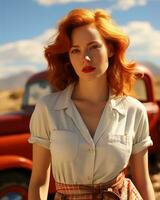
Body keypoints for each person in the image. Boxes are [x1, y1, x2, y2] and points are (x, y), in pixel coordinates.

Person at [28, 8, 155, 200]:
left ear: (110, 49)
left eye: (93, 46)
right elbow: (38, 181)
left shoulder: (134, 110)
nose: (85, 58)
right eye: (75, 50)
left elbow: (144, 181)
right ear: (69, 57)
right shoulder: (47, 108)